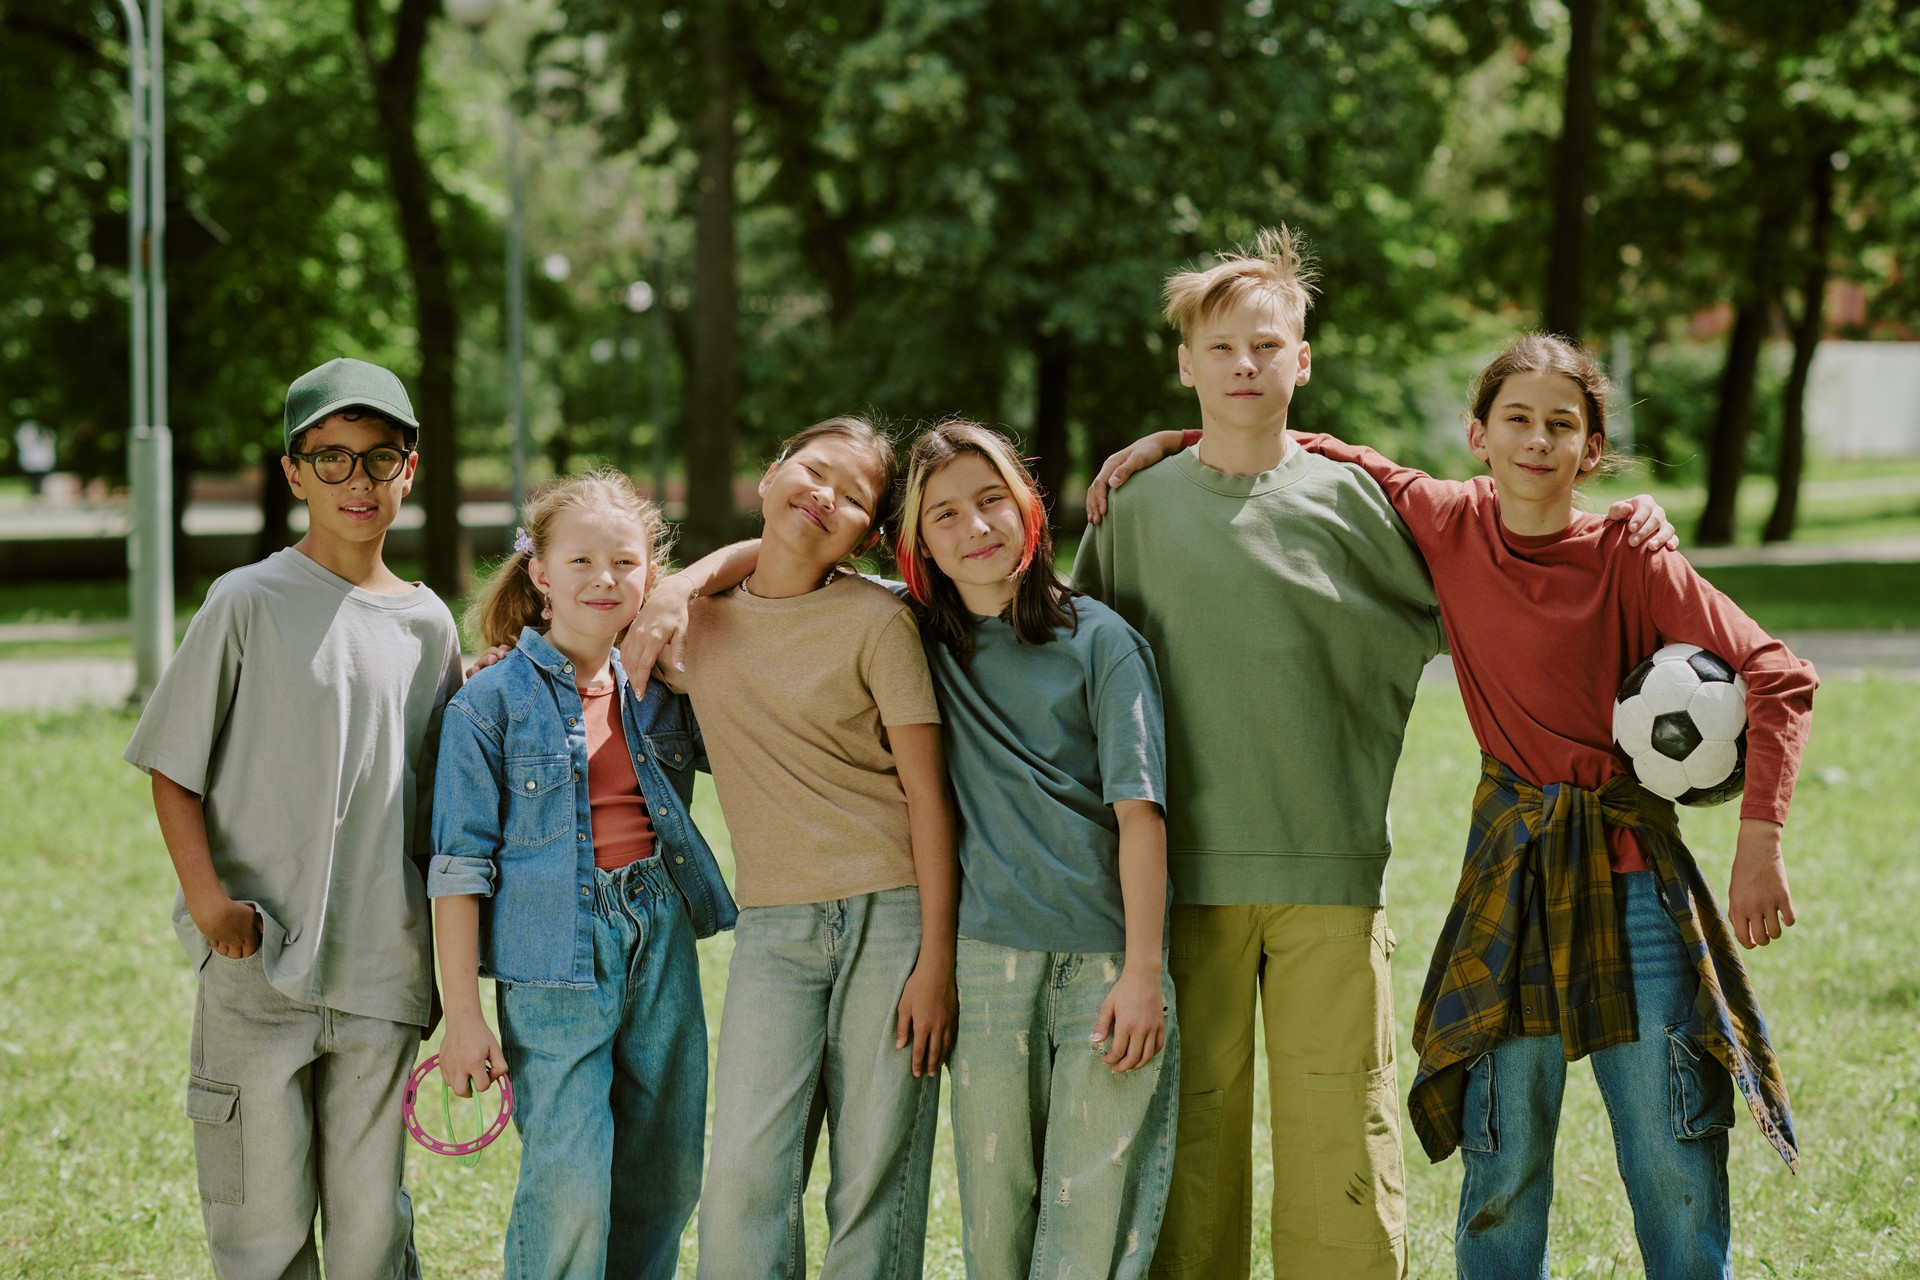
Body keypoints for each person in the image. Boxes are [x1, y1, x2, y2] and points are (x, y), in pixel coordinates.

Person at [1075, 230, 1679, 1280]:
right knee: (1192, 1150)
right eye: (1220, 348)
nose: (1245, 365)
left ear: (1302, 360)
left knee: (1341, 1149)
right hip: (1177, 885)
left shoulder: (1366, 508)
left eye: (1268, 344)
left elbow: (1510, 558)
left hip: (1331, 873)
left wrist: (1623, 527)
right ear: (1187, 363)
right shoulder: (1135, 510)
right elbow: (1079, 685)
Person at [123, 357, 461, 1279]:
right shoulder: (245, 602)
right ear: (292, 472)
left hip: (381, 982)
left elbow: (441, 817)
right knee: (260, 1237)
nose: (357, 482)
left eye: (378, 459)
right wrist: (207, 905)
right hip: (255, 976)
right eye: (332, 459)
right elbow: (171, 769)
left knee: (369, 1242)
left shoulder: (431, 627)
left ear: (409, 470)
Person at [634, 417, 959, 1280]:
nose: (826, 496)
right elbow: (573, 629)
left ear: (868, 534)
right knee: (744, 1173)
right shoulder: (689, 624)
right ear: (774, 470)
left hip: (892, 915)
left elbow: (929, 797)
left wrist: (937, 959)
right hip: (774, 927)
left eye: (854, 498)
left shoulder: (877, 623)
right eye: (815, 472)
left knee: (873, 1177)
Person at [428, 471, 737, 1280]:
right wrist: (465, 1019)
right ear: (539, 574)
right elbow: (456, 870)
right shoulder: (488, 702)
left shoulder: (665, 690)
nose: (605, 580)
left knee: (666, 1171)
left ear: (653, 574)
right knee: (570, 1184)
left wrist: (689, 648)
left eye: (626, 563)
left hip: (659, 936)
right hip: (552, 960)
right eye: (581, 562)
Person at [898, 420, 1180, 1277]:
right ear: (919, 545)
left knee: (1089, 1209)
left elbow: (1142, 816)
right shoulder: (909, 638)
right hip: (986, 959)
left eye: (992, 501)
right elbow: (792, 563)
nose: (975, 527)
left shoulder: (1101, 640)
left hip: (1104, 959)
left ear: (1027, 507)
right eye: (944, 515)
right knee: (993, 1208)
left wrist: (1142, 970)